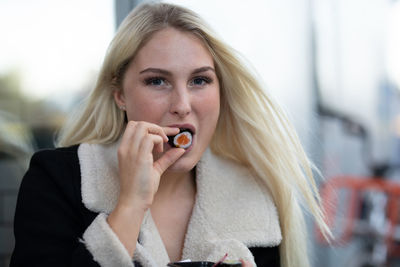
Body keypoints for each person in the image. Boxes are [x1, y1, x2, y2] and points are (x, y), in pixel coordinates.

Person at [10, 2, 330, 267]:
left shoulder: (254, 193)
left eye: (200, 81)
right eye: (157, 81)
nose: (181, 105)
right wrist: (131, 205)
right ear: (119, 93)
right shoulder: (56, 179)